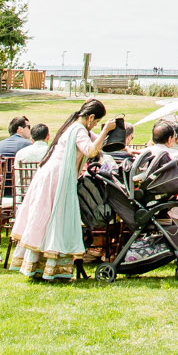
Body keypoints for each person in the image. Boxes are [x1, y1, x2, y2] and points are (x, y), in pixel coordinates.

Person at [10, 98, 106, 282]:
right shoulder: (78, 129)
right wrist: (106, 131)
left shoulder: (74, 126)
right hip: (58, 177)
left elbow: (96, 142)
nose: (95, 125)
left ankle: (42, 266)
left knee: (47, 216)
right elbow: (91, 150)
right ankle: (50, 266)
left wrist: (103, 132)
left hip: (53, 174)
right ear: (91, 117)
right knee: (55, 217)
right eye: (96, 121)